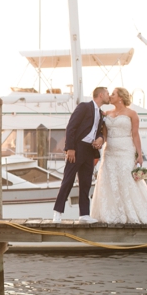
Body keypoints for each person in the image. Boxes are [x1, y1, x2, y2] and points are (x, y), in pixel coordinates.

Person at [88, 87, 147, 224]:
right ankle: (112, 214)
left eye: (113, 94)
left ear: (120, 97)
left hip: (126, 150)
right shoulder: (106, 113)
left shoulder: (132, 114)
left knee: (126, 179)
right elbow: (105, 135)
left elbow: (135, 135)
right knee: (109, 180)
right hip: (110, 152)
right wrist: (99, 144)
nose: (111, 96)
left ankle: (131, 212)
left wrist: (139, 154)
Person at [52, 86, 109, 223]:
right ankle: (57, 213)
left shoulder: (100, 113)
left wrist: (100, 139)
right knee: (68, 180)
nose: (109, 96)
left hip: (90, 150)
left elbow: (99, 131)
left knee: (86, 182)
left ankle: (84, 214)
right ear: (100, 95)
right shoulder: (84, 106)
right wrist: (70, 148)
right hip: (77, 149)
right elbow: (71, 126)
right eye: (107, 93)